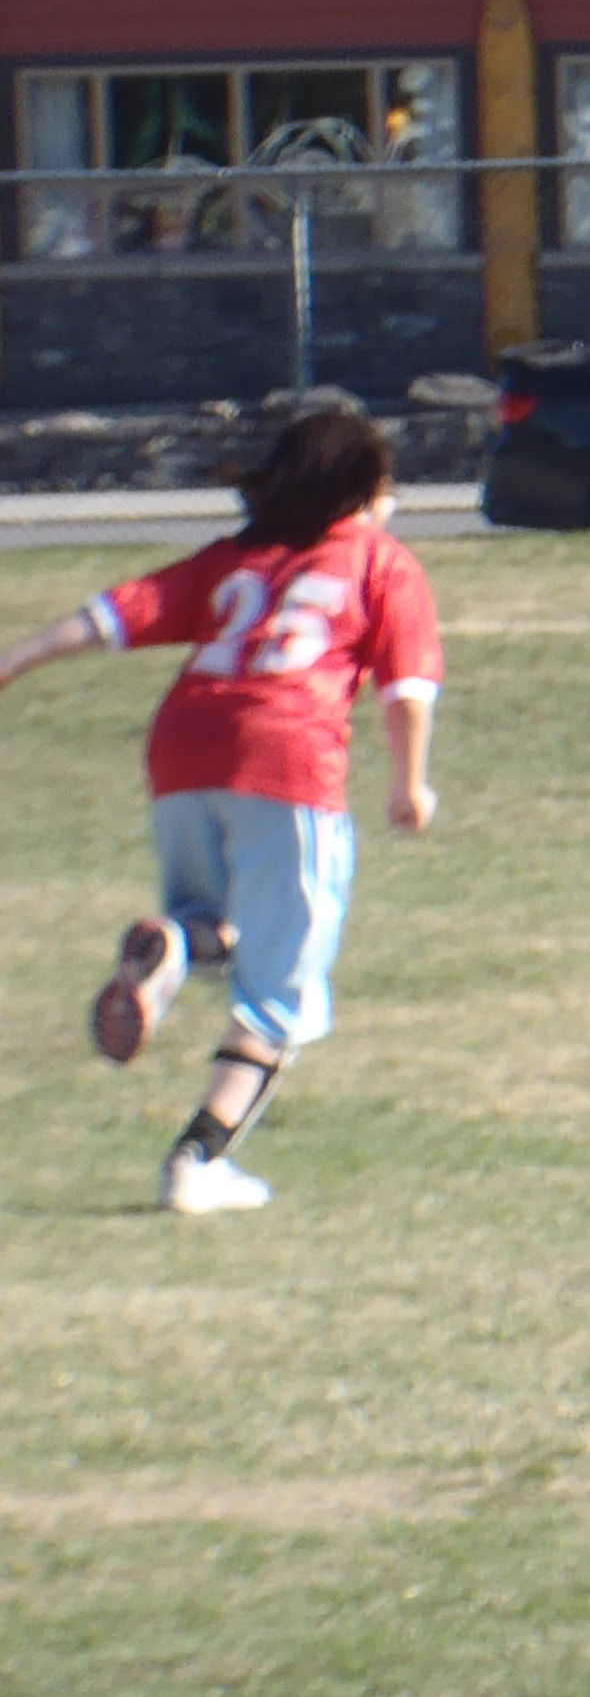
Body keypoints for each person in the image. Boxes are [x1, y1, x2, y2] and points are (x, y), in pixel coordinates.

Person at [0, 408, 442, 1215]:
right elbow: (408, 690)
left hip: (183, 747)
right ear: (360, 491)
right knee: (280, 994)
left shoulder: (237, 559)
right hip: (288, 759)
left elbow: (118, 611)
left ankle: (171, 943)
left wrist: (21, 654)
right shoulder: (382, 562)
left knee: (219, 928)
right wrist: (409, 785)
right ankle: (196, 1163)